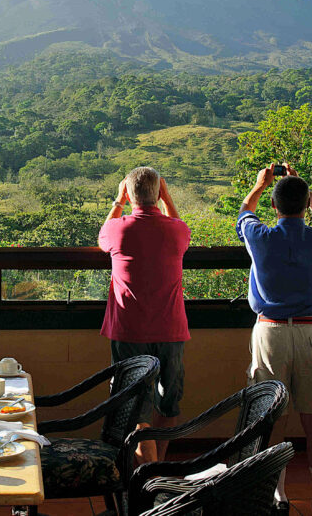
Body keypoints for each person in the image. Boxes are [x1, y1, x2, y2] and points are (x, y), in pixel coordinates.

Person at [237, 163, 312, 516]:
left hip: (271, 331)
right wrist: (300, 187)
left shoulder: (261, 238)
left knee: (274, 420)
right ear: (304, 204)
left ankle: (278, 498)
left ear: (274, 207)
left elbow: (244, 213)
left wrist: (259, 184)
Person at [98, 166, 190, 463]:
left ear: (129, 193)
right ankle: (156, 470)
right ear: (159, 193)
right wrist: (168, 198)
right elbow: (178, 223)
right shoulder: (176, 230)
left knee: (135, 408)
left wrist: (117, 200)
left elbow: (102, 239)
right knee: (168, 404)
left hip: (129, 330)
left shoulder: (117, 229)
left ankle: (148, 474)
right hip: (171, 330)